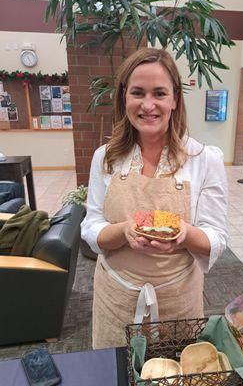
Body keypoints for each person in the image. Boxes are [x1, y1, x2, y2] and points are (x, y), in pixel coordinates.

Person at [81, 47, 228, 349]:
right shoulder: (105, 159)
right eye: (138, 92)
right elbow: (91, 226)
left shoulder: (203, 159)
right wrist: (123, 231)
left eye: (159, 93)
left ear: (175, 99)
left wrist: (184, 234)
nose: (148, 105)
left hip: (178, 302)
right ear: (125, 98)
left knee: (175, 374)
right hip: (116, 299)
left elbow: (216, 237)